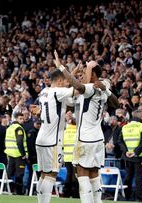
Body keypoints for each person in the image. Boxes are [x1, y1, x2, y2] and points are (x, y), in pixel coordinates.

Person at [55, 51, 119, 203]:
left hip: (85, 138)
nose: (83, 75)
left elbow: (78, 85)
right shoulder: (104, 86)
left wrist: (62, 67)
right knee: (94, 173)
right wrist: (106, 89)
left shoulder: (90, 88)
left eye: (86, 72)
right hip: (98, 139)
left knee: (82, 173)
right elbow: (115, 103)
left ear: (93, 74)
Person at [35, 68, 74, 203]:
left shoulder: (44, 91)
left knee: (44, 174)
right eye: (64, 80)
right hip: (52, 140)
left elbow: (68, 86)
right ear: (58, 80)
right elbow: (77, 89)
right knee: (52, 173)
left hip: (41, 138)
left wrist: (71, 73)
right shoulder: (58, 91)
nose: (66, 83)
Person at [117, 110, 142, 202]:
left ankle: (126, 196)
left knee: (128, 176)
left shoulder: (125, 127)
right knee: (139, 177)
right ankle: (139, 198)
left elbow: (119, 141)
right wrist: (135, 152)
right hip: (139, 157)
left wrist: (126, 151)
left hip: (127, 156)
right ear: (139, 116)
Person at [4, 112, 27, 195]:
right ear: (16, 119)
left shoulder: (9, 128)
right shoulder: (19, 128)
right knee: (19, 174)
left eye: (23, 119)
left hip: (10, 154)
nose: (22, 120)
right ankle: (19, 192)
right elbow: (19, 141)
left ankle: (9, 190)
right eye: (20, 119)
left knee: (10, 173)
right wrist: (23, 154)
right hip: (18, 154)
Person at [62, 118, 79, 198]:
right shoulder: (78, 132)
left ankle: (66, 192)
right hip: (76, 157)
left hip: (67, 156)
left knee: (68, 174)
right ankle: (75, 193)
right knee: (75, 175)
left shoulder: (65, 132)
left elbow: (62, 145)